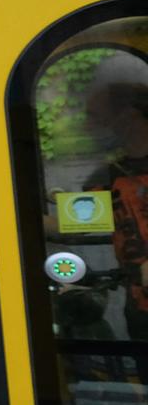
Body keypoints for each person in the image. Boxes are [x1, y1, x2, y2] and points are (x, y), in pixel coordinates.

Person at [77, 52, 148, 341]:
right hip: (139, 309)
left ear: (129, 116)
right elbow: (79, 221)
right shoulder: (106, 177)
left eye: (96, 118)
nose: (88, 128)